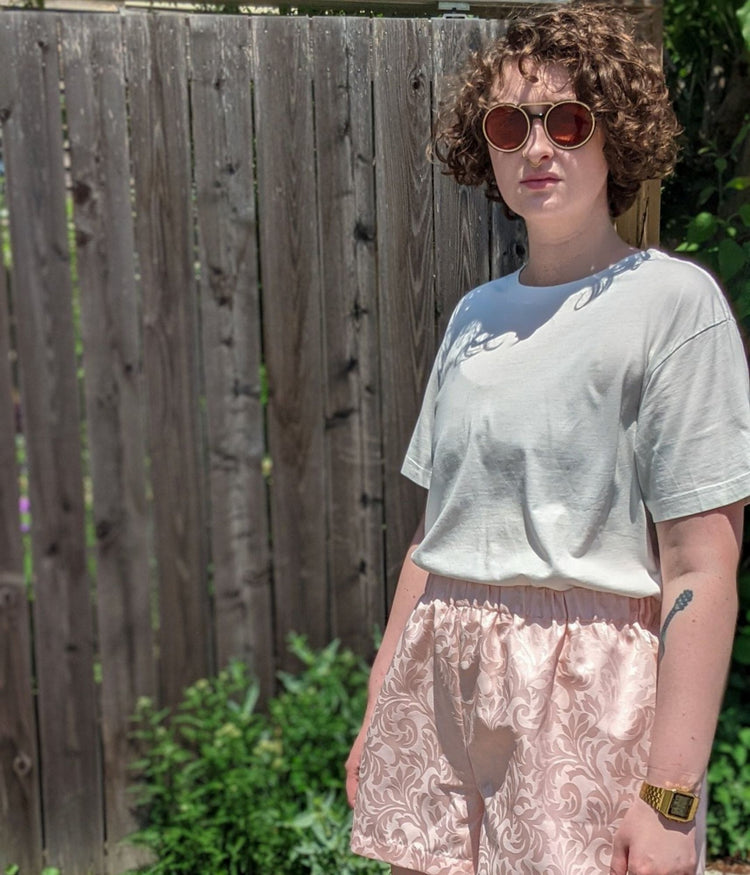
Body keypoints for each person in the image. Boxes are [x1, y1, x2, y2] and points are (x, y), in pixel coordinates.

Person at [346, 3, 750, 875]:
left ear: (615, 135)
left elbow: (701, 568)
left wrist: (671, 796)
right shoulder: (473, 317)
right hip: (441, 693)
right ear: (482, 146)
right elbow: (435, 533)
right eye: (509, 124)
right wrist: (383, 702)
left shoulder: (674, 306)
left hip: (583, 704)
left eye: (568, 120)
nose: (538, 147)